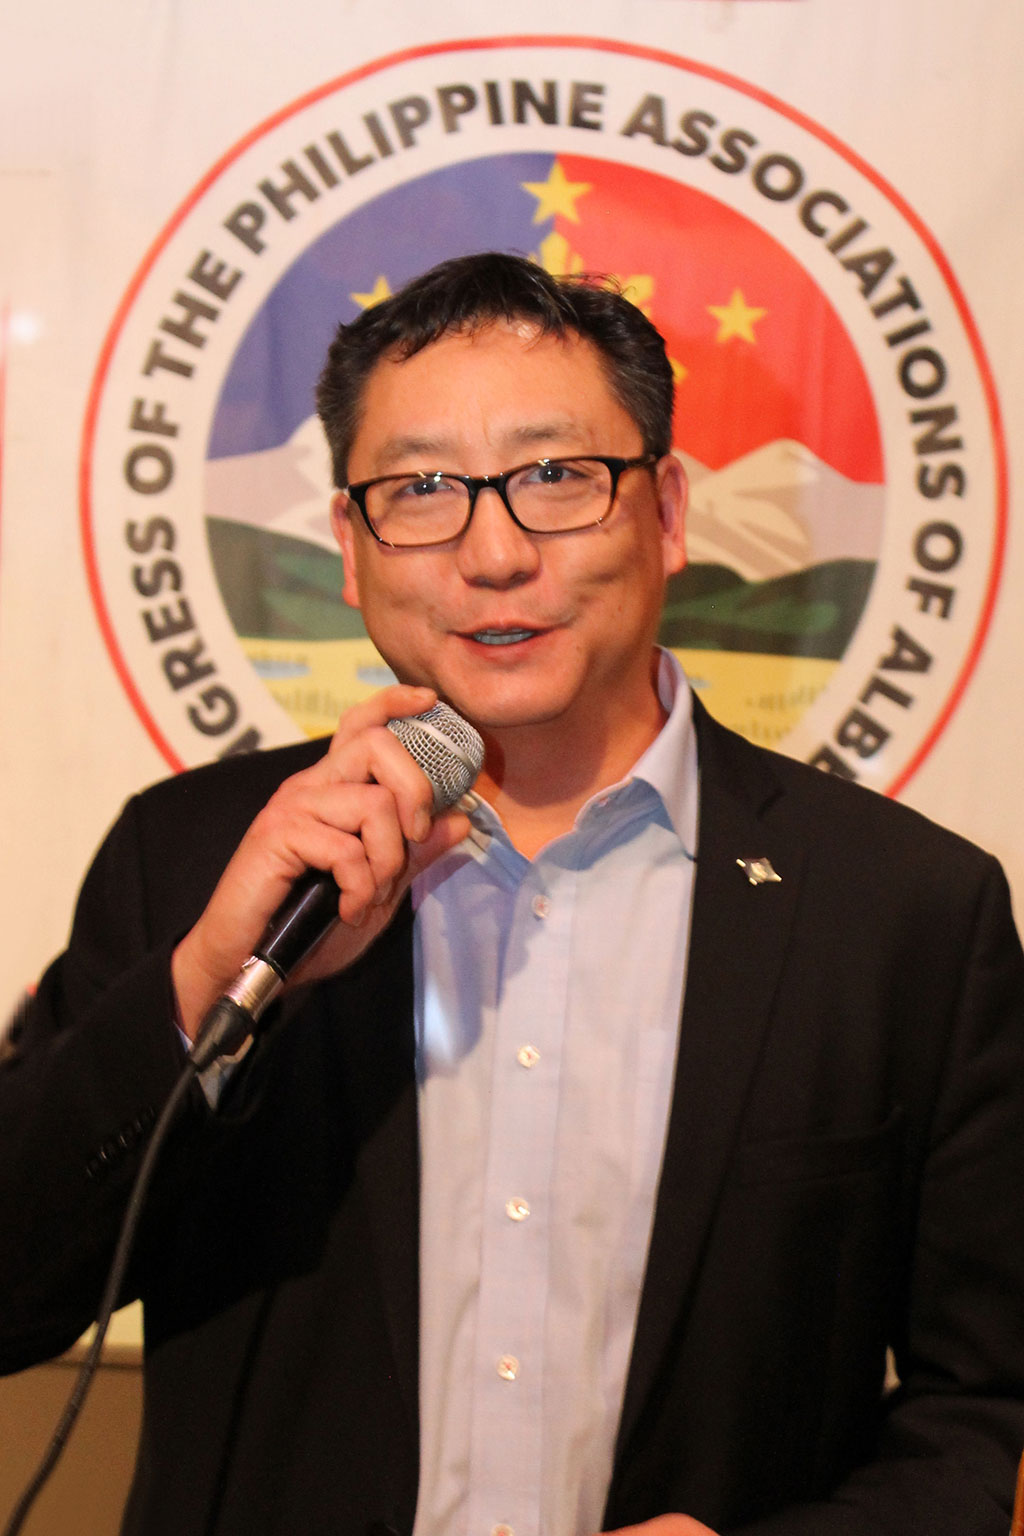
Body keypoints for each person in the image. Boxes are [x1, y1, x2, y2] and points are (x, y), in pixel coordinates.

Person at [2, 251, 1023, 1536]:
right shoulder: (197, 857)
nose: (492, 553)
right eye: (420, 489)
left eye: (554, 477)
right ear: (350, 546)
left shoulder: (903, 911)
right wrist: (207, 982)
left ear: (666, 513)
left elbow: (985, 1412)